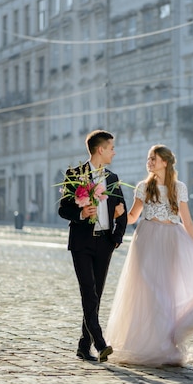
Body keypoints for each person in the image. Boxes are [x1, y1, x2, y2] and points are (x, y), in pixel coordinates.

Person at [105, 144, 193, 366]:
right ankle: (143, 343)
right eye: (148, 159)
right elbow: (134, 216)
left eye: (153, 158)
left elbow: (187, 221)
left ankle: (163, 345)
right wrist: (119, 213)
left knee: (166, 292)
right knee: (148, 291)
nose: (149, 162)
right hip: (147, 239)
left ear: (165, 161)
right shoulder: (143, 187)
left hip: (171, 239)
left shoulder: (178, 187)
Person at [58, 130, 128, 363]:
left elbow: (123, 213)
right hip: (82, 243)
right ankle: (99, 342)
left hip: (105, 244)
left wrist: (116, 238)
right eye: (111, 148)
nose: (114, 152)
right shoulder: (75, 174)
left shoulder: (113, 178)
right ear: (100, 149)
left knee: (95, 296)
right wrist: (80, 212)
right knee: (88, 292)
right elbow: (63, 209)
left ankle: (82, 345)